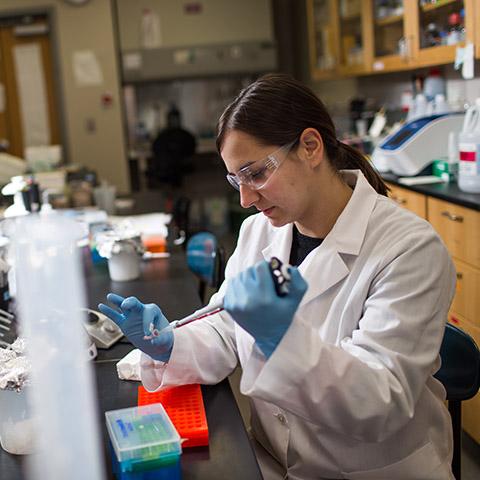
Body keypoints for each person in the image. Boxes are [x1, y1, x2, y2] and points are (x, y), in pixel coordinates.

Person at [99, 74, 456, 480]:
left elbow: (378, 402)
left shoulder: (409, 249)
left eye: (255, 174)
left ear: (310, 146)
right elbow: (228, 326)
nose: (245, 199)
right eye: (236, 180)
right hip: (270, 462)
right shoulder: (259, 232)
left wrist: (279, 337)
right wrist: (171, 345)